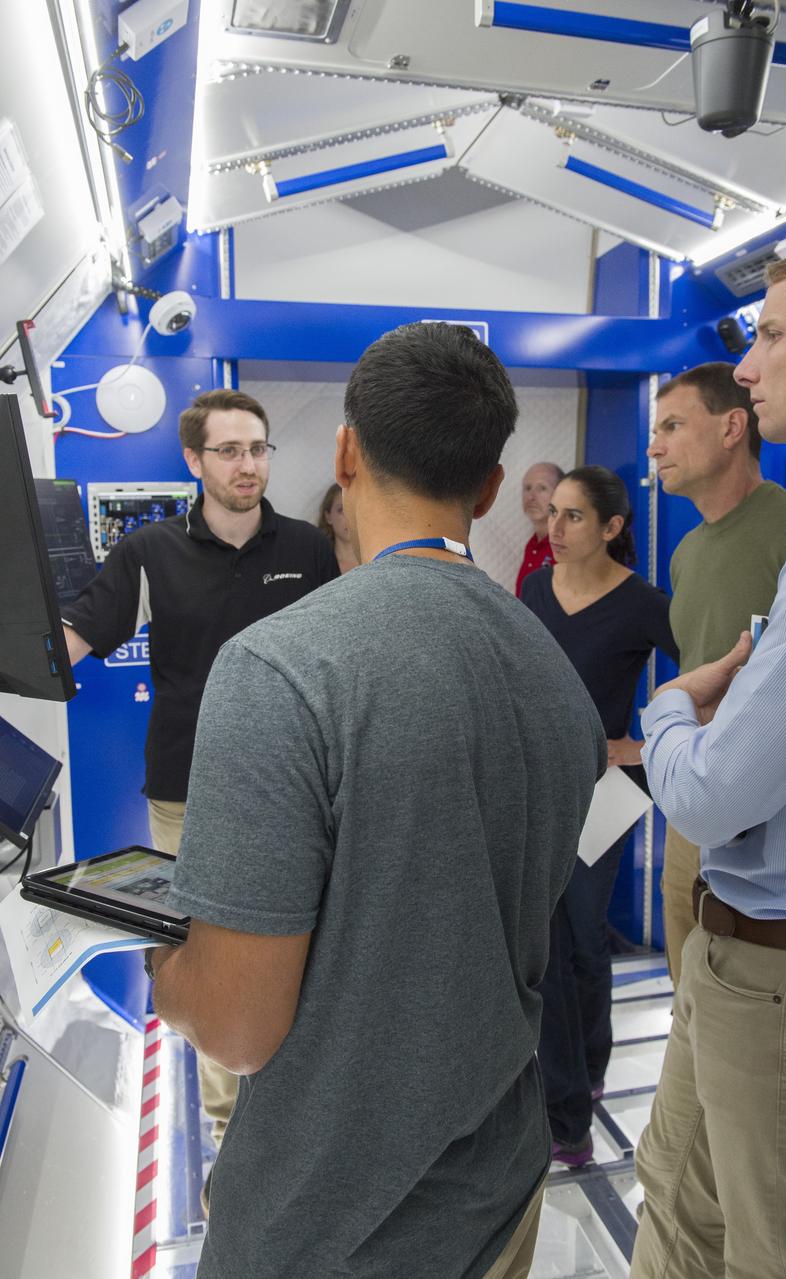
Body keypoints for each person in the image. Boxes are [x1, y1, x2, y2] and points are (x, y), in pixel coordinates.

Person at [146, 323, 608, 1279]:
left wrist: (160, 956)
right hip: (497, 1193)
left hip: (332, 1224)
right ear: (488, 488)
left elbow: (235, 1024)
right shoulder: (552, 677)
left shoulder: (282, 666)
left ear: (346, 453)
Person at [630, 232, 786, 1279]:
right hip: (741, 956)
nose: (749, 364)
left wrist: (668, 706)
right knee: (675, 1199)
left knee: (772, 1250)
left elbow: (715, 793)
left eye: (767, 335)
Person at [61, 387, 338, 1171]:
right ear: (194, 460)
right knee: (212, 962)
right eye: (229, 450)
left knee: (299, 950)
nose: (248, 464)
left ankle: (292, 1106)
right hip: (187, 792)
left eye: (257, 448)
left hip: (294, 789)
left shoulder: (307, 550)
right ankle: (231, 1134)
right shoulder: (150, 552)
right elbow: (76, 638)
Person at [521, 466, 677, 1166]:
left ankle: (584, 1068)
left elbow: (721, 677)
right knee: (551, 946)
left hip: (612, 788)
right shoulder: (531, 590)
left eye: (573, 515)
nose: (554, 527)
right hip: (540, 788)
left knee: (583, 939)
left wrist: (640, 743)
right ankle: (568, 1110)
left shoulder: (644, 603)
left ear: (613, 528)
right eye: (552, 512)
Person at [648, 362, 786, 986]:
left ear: (734, 426)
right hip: (693, 810)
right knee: (687, 992)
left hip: (773, 819)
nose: (655, 445)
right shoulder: (686, 552)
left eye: (674, 426)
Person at [515, 461, 565, 595]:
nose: (531, 497)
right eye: (527, 488)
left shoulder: (566, 547)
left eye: (542, 488)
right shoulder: (531, 546)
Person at [317, 480, 358, 572]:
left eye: (354, 508)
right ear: (328, 517)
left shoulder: (378, 561)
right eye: (341, 510)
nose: (349, 517)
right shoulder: (318, 564)